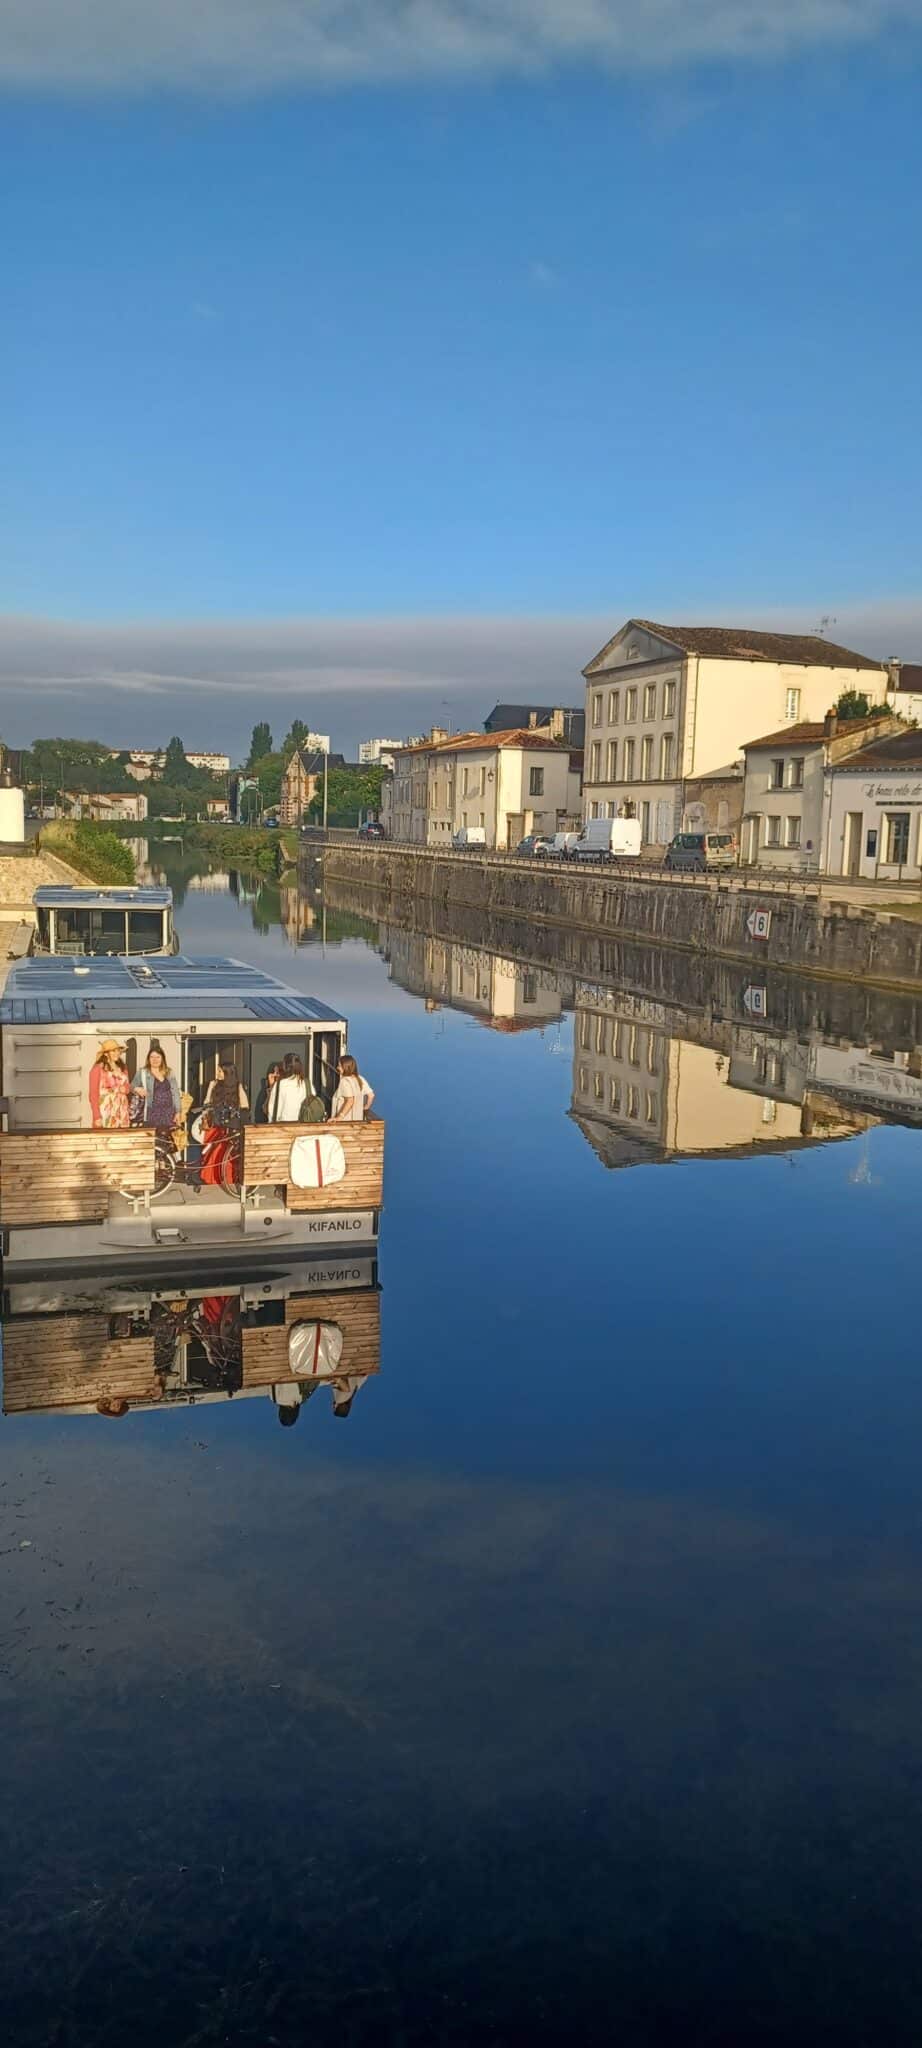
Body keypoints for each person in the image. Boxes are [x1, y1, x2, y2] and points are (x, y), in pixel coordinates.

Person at [132, 1042, 182, 1130]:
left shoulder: (169, 1072)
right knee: (153, 1140)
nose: (155, 1060)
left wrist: (178, 1111)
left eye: (158, 1057)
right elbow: (131, 1087)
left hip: (169, 1113)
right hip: (151, 1113)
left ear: (162, 1058)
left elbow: (175, 1092)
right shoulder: (142, 1072)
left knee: (168, 1141)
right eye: (152, 1057)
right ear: (148, 1059)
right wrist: (137, 1089)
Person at [89, 1041, 131, 1129]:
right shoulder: (97, 1069)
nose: (117, 1053)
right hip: (106, 1110)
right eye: (113, 1051)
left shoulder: (123, 1067)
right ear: (105, 1054)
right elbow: (93, 1094)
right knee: (106, 1140)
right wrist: (97, 1116)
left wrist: (126, 1089)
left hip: (122, 1109)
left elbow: (127, 1086)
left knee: (122, 1139)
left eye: (118, 1050)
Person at [331, 1054, 374, 1122]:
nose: (337, 1068)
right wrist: (365, 1108)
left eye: (339, 1066)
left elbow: (350, 1100)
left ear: (345, 1067)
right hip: (357, 1121)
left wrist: (339, 1117)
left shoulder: (345, 1081)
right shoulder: (360, 1078)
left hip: (344, 1122)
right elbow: (371, 1096)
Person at [267, 1052, 306, 1123]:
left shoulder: (280, 1085)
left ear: (285, 1067)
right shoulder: (307, 1084)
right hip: (305, 1126)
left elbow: (272, 1111)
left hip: (284, 1127)